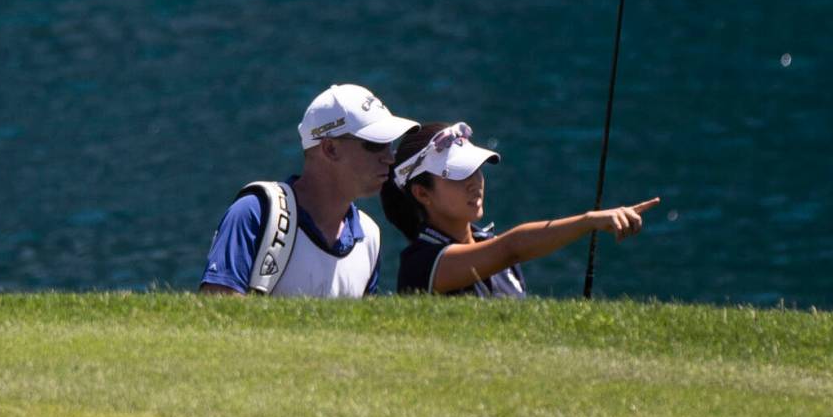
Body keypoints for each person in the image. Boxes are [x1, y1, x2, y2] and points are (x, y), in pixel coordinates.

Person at [379, 122, 660, 297]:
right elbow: (510, 248)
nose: (475, 183)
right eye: (459, 176)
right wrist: (588, 221)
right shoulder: (420, 263)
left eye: (476, 170)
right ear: (422, 193)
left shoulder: (488, 244)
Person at [199, 84, 419, 297]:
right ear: (330, 149)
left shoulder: (369, 236)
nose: (390, 158)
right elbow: (217, 315)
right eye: (375, 144)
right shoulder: (255, 213)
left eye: (390, 145)